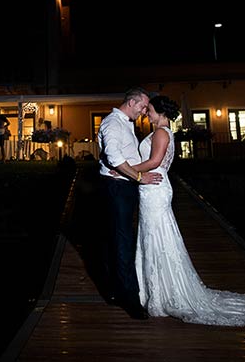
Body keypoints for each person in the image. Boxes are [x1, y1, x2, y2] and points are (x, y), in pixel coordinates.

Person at [127, 95, 245, 325]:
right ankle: (156, 289)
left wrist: (126, 170)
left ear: (162, 113)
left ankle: (165, 292)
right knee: (154, 237)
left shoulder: (161, 133)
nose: (147, 113)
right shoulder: (163, 132)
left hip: (154, 188)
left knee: (158, 238)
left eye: (150, 110)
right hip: (153, 187)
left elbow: (154, 161)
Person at [97, 87, 163, 320]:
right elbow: (114, 157)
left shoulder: (125, 122)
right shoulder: (112, 123)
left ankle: (114, 291)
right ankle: (130, 299)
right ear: (132, 103)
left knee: (118, 240)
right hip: (117, 189)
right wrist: (137, 176)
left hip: (122, 186)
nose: (145, 112)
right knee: (123, 242)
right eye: (143, 107)